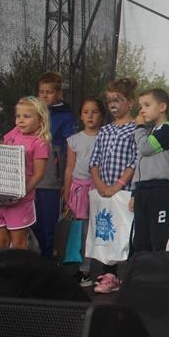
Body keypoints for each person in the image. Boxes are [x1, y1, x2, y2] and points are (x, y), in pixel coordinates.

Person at [89, 78, 137, 294]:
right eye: (109, 101)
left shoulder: (136, 129)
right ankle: (110, 275)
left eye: (118, 100)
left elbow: (135, 161)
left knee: (127, 231)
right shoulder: (105, 130)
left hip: (125, 191)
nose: (113, 105)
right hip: (105, 191)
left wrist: (118, 185)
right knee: (109, 230)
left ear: (130, 102)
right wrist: (100, 184)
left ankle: (132, 276)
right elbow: (94, 160)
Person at [0, 96, 50, 250]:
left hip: (21, 198)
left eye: (26, 116)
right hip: (0, 195)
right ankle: (0, 266)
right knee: (0, 242)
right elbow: (3, 146)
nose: (20, 120)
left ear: (40, 120)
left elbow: (39, 174)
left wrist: (21, 193)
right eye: (18, 116)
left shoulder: (39, 143)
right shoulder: (15, 132)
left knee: (18, 243)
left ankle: (19, 267)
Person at [63, 96, 105, 287]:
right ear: (80, 115)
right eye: (86, 112)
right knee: (81, 231)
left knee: (100, 227)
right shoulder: (74, 140)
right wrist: (67, 193)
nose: (90, 116)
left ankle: (106, 269)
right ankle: (83, 269)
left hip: (99, 189)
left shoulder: (106, 137)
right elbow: (69, 169)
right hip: (79, 190)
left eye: (94, 112)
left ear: (101, 115)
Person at [34, 72, 77, 259]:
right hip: (31, 177)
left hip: (51, 178)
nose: (44, 96)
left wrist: (67, 180)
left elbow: (70, 149)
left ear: (59, 94)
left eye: (49, 92)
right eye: (41, 92)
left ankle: (48, 259)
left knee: (48, 222)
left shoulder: (66, 116)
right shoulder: (32, 112)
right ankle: (36, 257)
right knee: (32, 221)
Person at [130, 88, 169, 252]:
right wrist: (134, 192)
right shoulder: (150, 132)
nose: (142, 110)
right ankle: (142, 266)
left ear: (162, 107)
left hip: (159, 190)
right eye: (140, 106)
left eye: (147, 105)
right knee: (140, 238)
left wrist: (139, 127)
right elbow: (140, 162)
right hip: (142, 190)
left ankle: (158, 267)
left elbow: (145, 148)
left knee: (158, 237)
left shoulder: (168, 128)